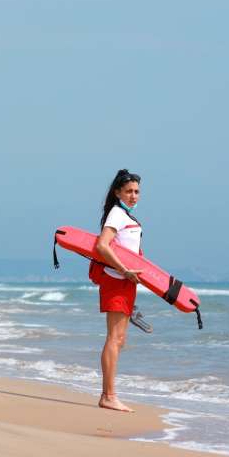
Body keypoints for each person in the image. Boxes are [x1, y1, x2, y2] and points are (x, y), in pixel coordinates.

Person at [91, 169, 143, 413]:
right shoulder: (117, 214)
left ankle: (109, 394)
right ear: (118, 192)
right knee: (114, 339)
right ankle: (108, 395)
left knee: (120, 340)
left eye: (136, 191)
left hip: (126, 282)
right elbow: (102, 245)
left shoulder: (126, 216)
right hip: (116, 281)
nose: (133, 195)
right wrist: (124, 271)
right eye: (129, 191)